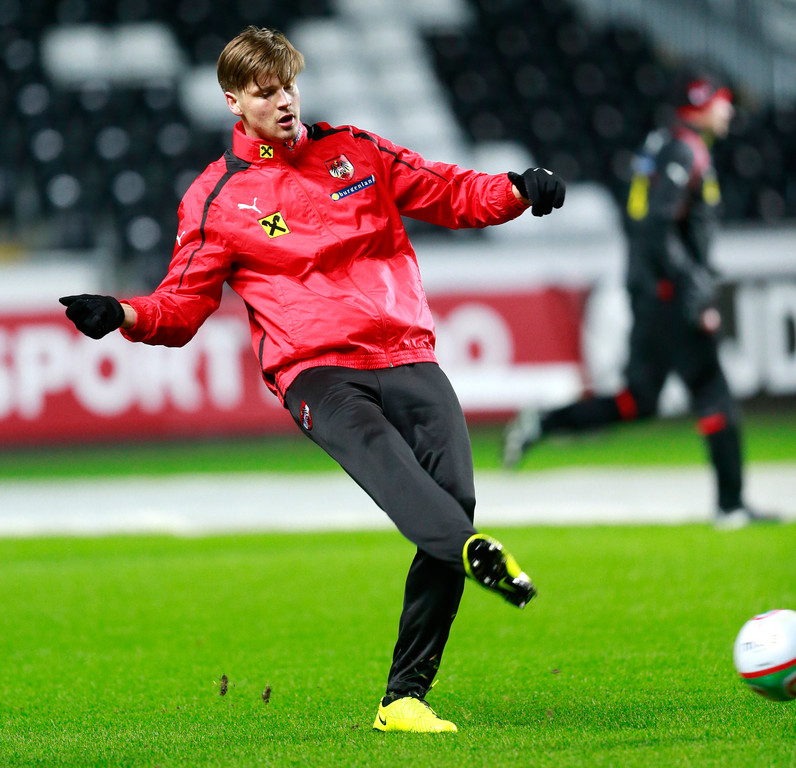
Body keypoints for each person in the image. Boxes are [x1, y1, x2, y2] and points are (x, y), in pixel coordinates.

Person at [60, 26, 566, 733]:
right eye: (266, 92)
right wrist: (125, 313)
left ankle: (403, 698)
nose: (284, 101)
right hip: (316, 372)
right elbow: (181, 306)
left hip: (406, 352)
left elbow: (449, 190)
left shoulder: (357, 149)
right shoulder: (216, 198)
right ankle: (472, 555)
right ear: (234, 101)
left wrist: (515, 189)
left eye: (289, 86)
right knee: (397, 475)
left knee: (452, 501)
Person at [503, 65, 778, 531]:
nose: (729, 110)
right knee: (711, 389)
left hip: (656, 289)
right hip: (668, 292)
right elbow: (656, 227)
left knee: (638, 400)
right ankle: (731, 507)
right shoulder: (683, 150)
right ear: (700, 104)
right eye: (722, 101)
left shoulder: (665, 145)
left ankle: (544, 423)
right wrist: (691, 284)